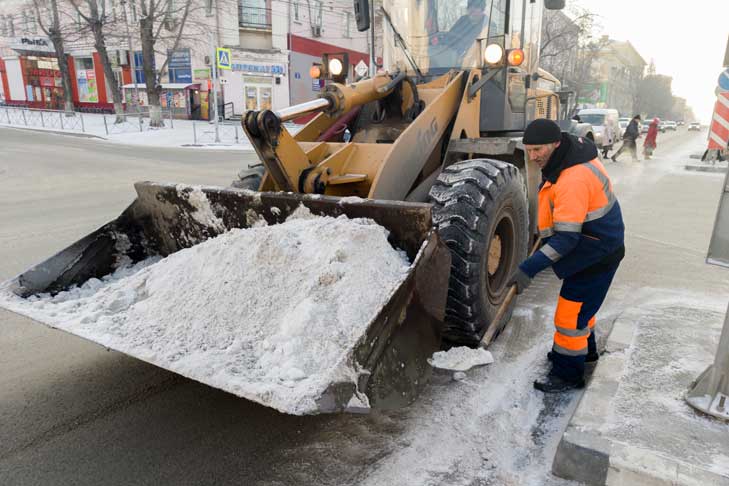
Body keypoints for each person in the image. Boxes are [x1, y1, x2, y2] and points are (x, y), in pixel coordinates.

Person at [509, 119, 625, 393]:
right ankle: (585, 353)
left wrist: (529, 268)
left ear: (556, 143)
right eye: (529, 149)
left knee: (569, 319)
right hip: (595, 248)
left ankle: (567, 375)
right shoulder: (567, 158)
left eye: (538, 149)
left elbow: (567, 238)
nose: (533, 156)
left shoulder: (573, 178)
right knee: (584, 310)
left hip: (594, 255)